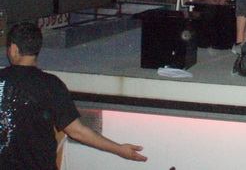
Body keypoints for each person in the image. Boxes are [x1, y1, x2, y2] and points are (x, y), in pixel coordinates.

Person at [0, 23, 147, 169]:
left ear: (13, 48)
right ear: (37, 49)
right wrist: (119, 149)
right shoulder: (51, 84)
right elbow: (77, 132)